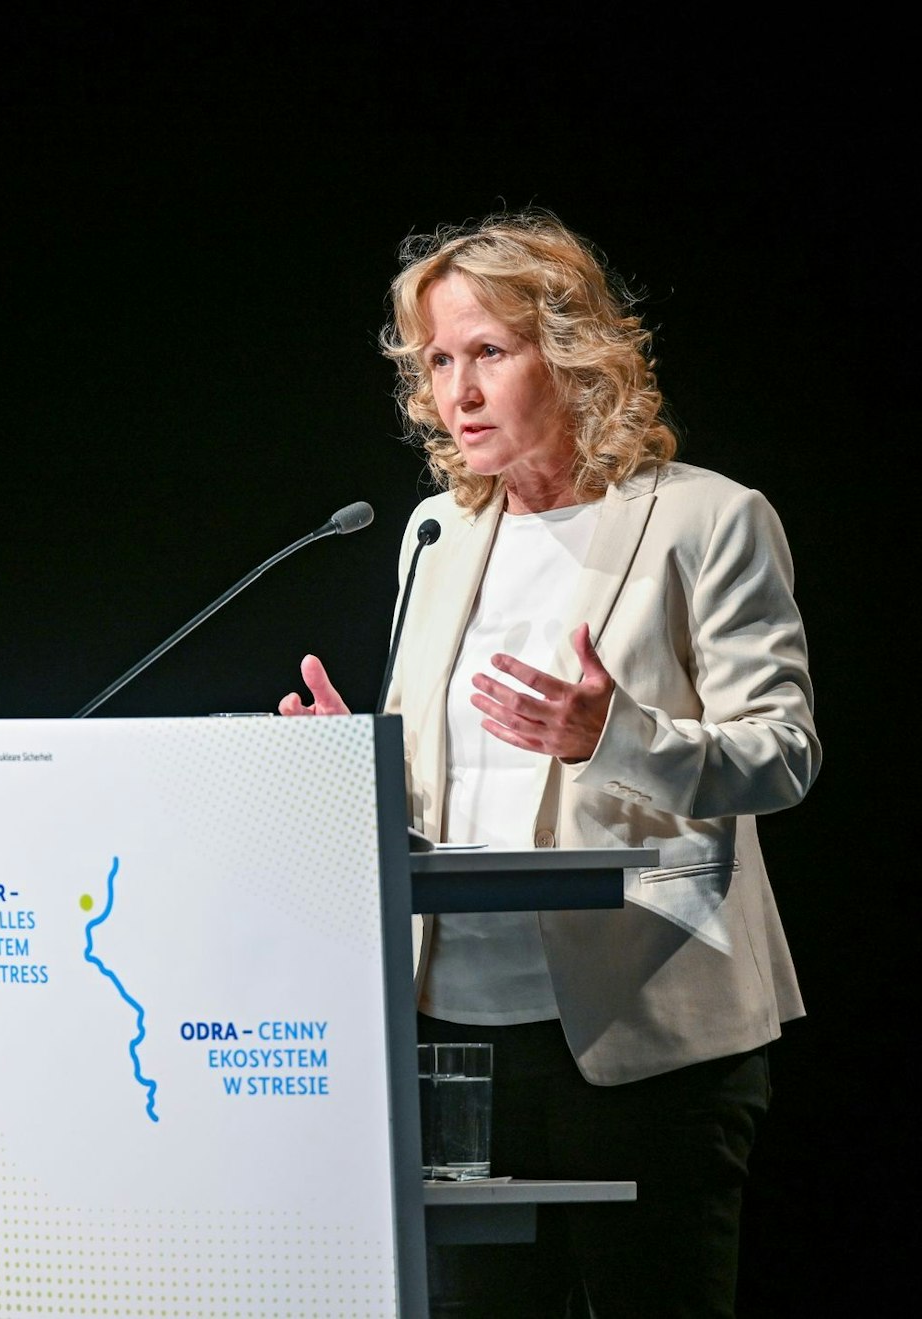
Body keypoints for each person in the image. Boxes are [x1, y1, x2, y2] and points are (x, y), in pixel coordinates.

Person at [279, 210, 817, 1318]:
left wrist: (611, 735)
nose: (454, 390)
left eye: (487, 351)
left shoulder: (703, 521)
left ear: (568, 352)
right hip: (455, 1043)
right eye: (435, 359)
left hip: (644, 1039)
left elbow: (781, 753)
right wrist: (346, 767)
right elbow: (443, 782)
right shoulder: (434, 533)